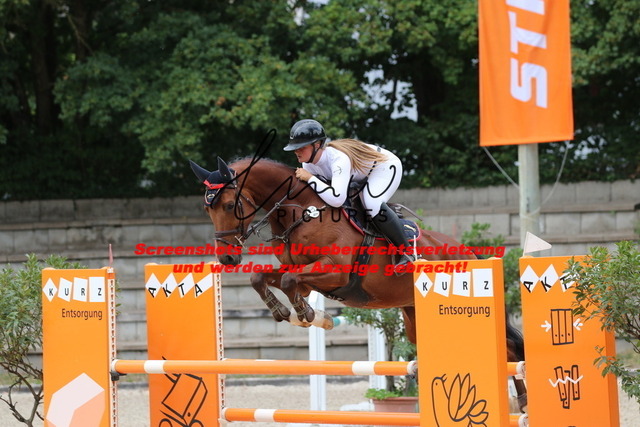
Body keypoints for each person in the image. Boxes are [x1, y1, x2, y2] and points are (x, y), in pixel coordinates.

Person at [284, 118, 416, 266]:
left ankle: (407, 252)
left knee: (371, 203)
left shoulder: (338, 159)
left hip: (384, 167)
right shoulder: (308, 165)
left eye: (301, 147)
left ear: (317, 145)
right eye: (295, 147)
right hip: (360, 175)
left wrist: (310, 179)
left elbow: (337, 199)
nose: (296, 151)